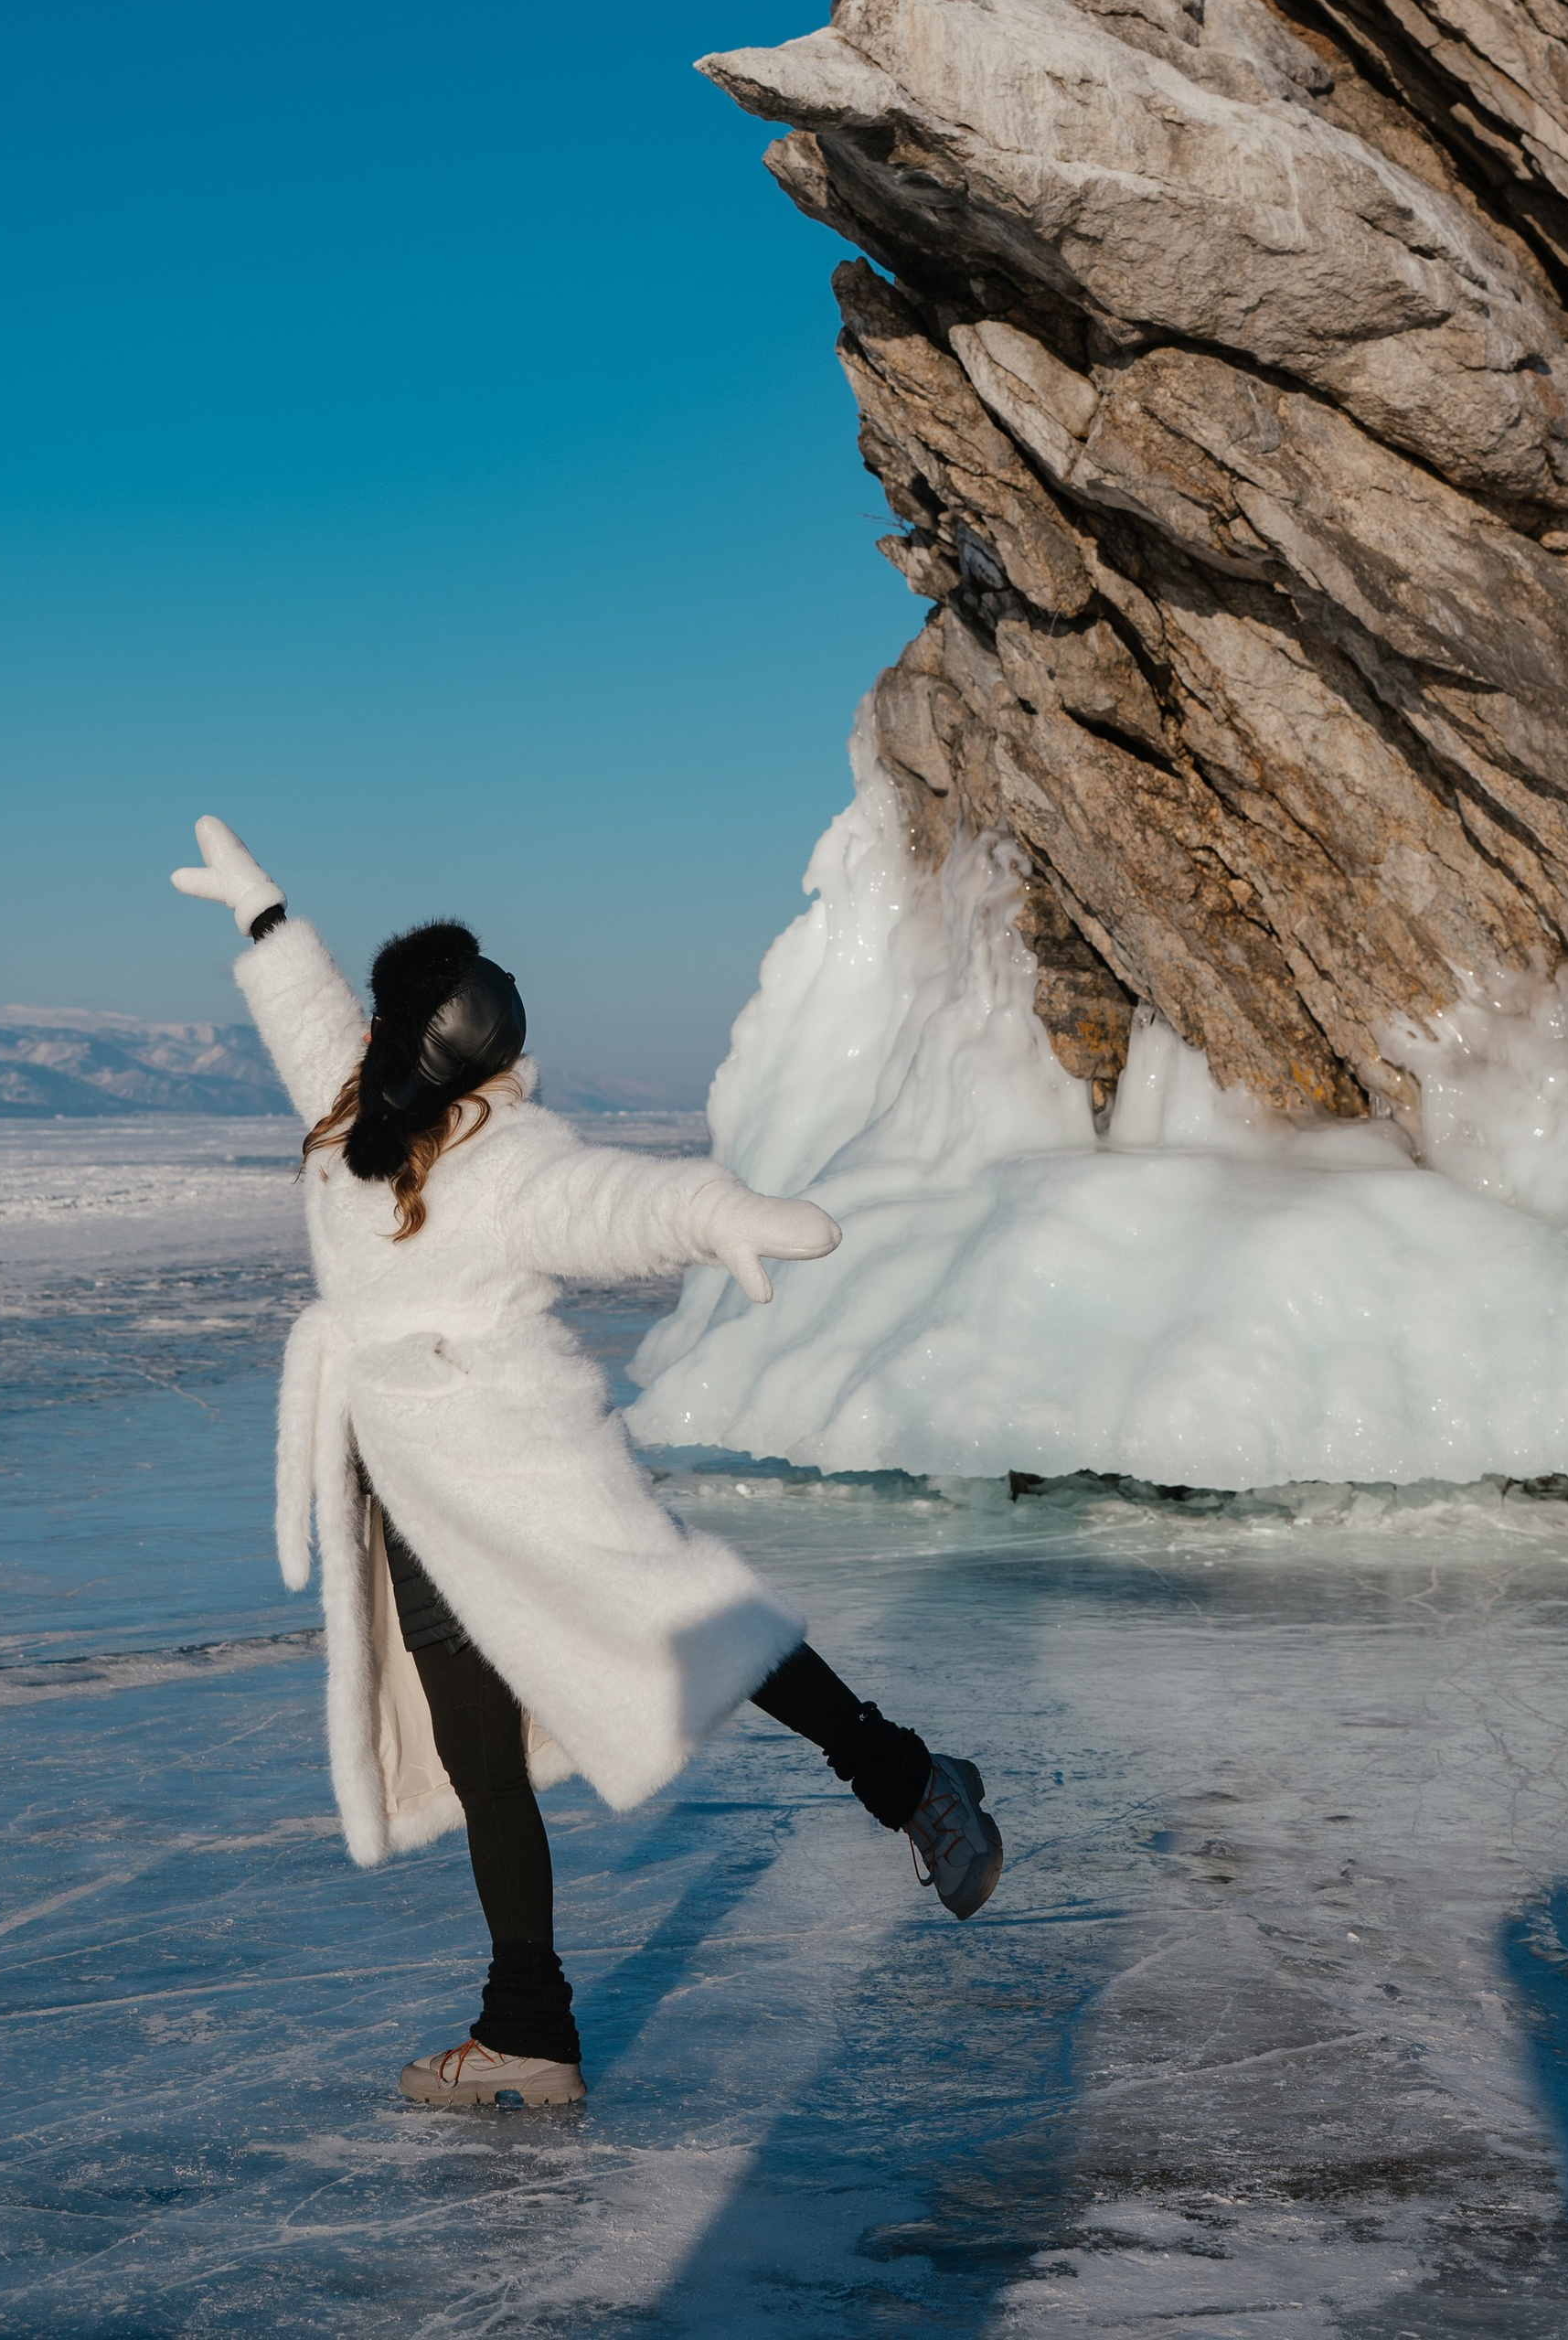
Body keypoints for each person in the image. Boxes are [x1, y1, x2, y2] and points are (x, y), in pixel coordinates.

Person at [172, 814, 1003, 2110]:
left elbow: (614, 1201)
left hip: (524, 1475)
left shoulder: (511, 1157)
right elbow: (310, 1019)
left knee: (697, 1622)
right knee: (476, 1758)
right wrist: (269, 923)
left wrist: (717, 1212)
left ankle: (908, 1780)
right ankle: (529, 2029)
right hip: (418, 1494)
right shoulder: (351, 1114)